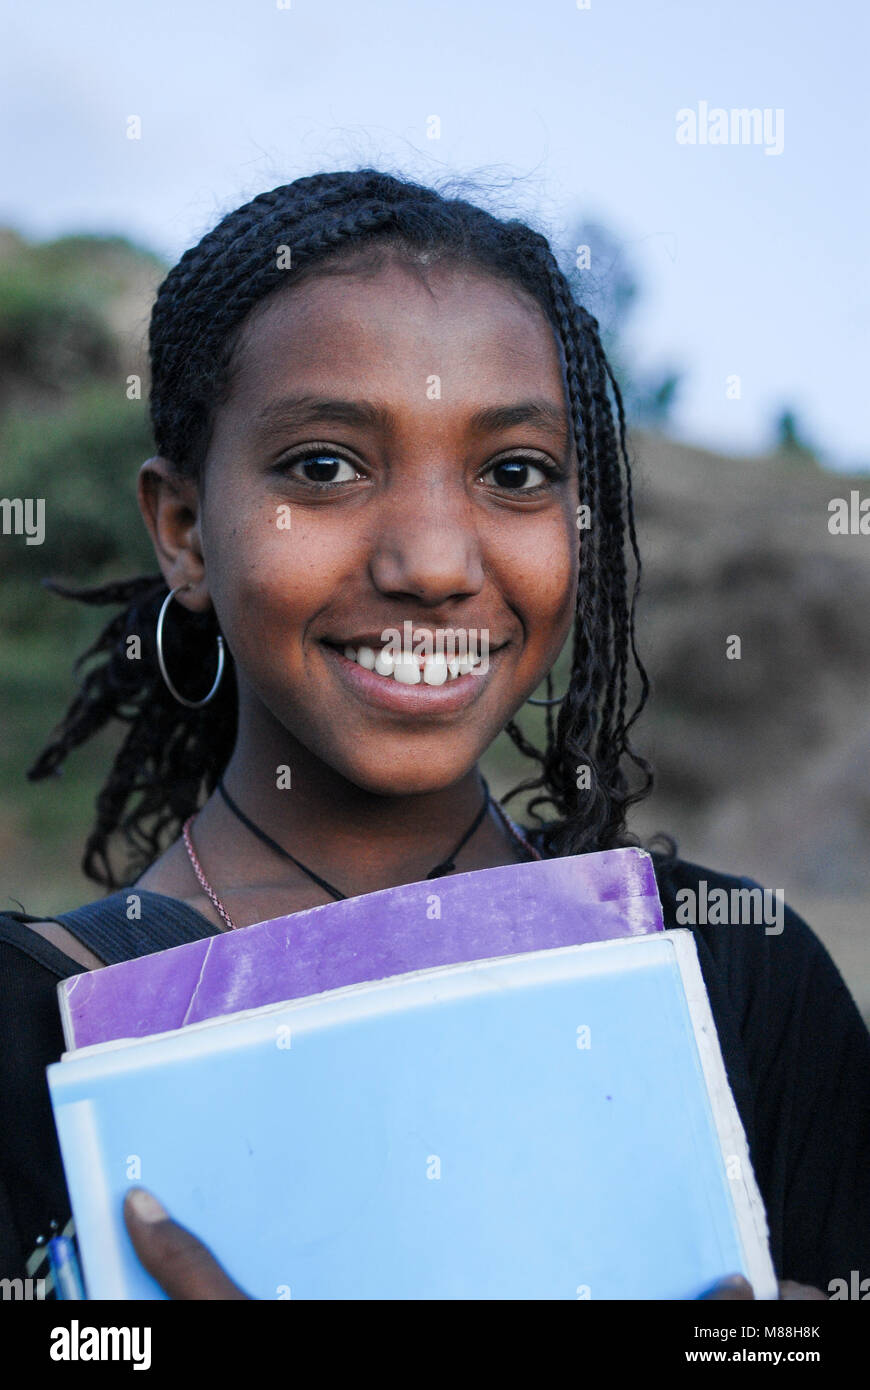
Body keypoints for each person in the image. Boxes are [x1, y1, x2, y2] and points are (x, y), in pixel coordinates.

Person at [0, 170, 866, 1300]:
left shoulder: (743, 981)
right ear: (183, 532)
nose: (435, 564)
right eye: (325, 467)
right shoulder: (26, 1039)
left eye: (515, 474)